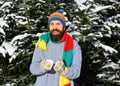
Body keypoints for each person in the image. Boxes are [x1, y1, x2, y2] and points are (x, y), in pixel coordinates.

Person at [30, 9, 82, 86]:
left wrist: (65, 70)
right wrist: (42, 67)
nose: (55, 27)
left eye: (58, 24)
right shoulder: (42, 43)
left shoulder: (74, 46)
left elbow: (76, 72)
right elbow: (33, 68)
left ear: (63, 26)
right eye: (52, 24)